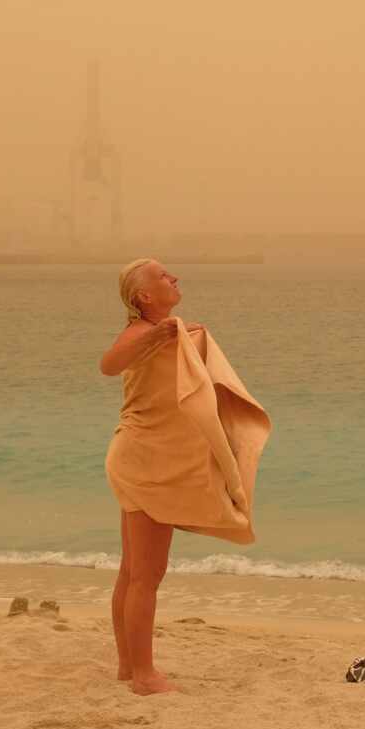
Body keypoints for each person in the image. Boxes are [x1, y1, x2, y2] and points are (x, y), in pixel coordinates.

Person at [100, 258, 272, 696]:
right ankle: (144, 675)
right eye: (162, 276)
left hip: (146, 458)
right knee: (146, 575)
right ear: (143, 297)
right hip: (147, 462)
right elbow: (109, 363)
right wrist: (158, 334)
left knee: (131, 571)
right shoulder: (139, 334)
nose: (173, 278)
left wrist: (180, 335)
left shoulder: (174, 333)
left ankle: (127, 667)